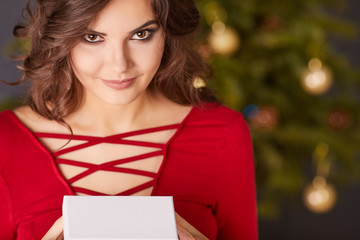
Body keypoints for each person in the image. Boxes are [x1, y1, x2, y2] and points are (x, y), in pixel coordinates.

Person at [0, 0, 258, 239]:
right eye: (92, 37)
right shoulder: (6, 140)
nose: (119, 65)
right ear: (60, 35)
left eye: (141, 34)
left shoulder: (223, 133)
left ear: (167, 33)